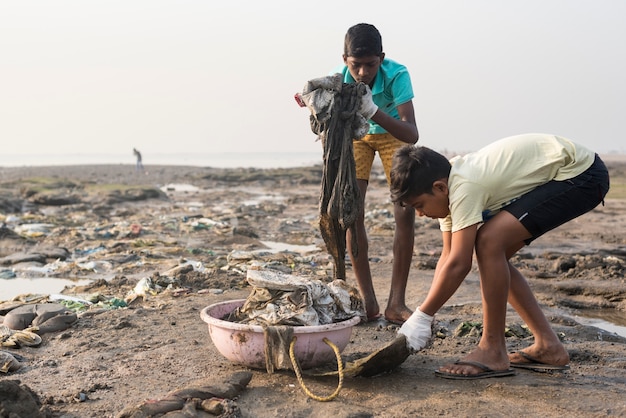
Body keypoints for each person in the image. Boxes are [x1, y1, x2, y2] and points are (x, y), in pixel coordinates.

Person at [390, 133, 610, 379]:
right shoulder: (450, 189)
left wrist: (422, 315)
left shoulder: (464, 187)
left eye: (419, 205)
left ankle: (493, 349)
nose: (419, 214)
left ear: (439, 187)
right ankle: (548, 346)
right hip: (568, 172)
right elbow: (449, 257)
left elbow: (460, 265)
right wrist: (424, 314)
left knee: (489, 242)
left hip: (581, 174)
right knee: (494, 253)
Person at [332, 23, 419, 324]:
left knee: (404, 212)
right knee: (352, 211)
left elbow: (411, 133)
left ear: (381, 58)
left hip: (392, 132)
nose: (362, 73)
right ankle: (369, 302)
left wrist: (374, 112)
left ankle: (396, 303)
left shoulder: (397, 75)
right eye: (356, 66)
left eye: (370, 65)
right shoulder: (340, 80)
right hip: (357, 136)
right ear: (345, 60)